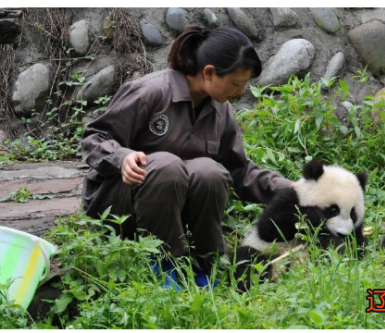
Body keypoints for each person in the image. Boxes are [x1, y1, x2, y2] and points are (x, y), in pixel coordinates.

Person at [81, 25, 291, 289]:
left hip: (172, 207)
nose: (240, 92)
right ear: (209, 72)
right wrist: (121, 157)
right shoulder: (150, 92)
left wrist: (293, 192)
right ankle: (163, 261)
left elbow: (239, 171)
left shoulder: (221, 111)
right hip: (118, 204)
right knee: (166, 165)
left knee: (210, 171)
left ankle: (206, 260)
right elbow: (93, 138)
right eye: (236, 83)